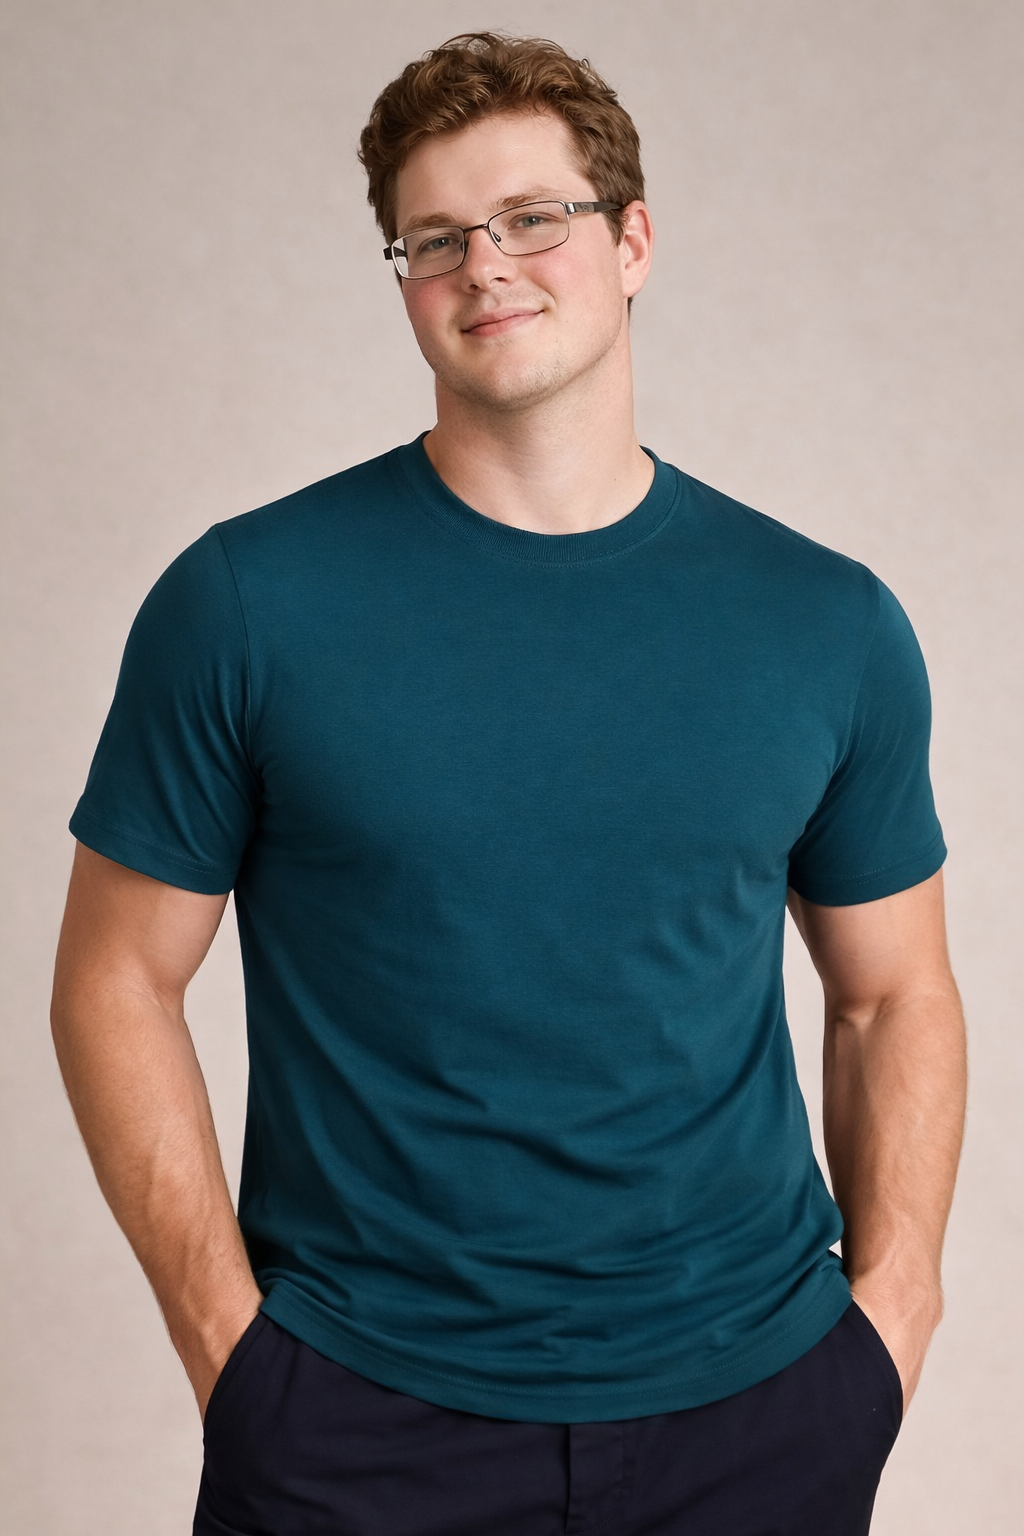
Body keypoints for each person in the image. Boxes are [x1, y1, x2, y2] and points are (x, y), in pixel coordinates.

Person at [51, 31, 966, 1536]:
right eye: (436, 237)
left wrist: (890, 1326)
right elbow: (112, 984)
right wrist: (234, 1357)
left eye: (535, 216)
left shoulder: (828, 621)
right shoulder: (247, 603)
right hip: (352, 1420)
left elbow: (893, 997)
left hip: (757, 1416)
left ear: (633, 241)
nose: (489, 265)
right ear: (403, 274)